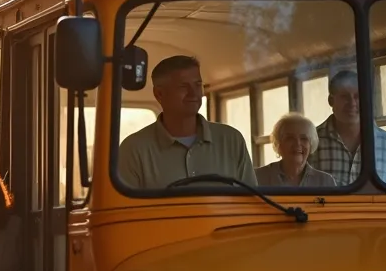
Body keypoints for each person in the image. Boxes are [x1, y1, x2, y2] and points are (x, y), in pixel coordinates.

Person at [118, 55, 256, 189]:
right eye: (183, 86)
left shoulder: (232, 140)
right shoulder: (133, 150)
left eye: (198, 85)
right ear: (159, 94)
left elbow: (252, 202)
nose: (194, 93)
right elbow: (123, 210)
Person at [308, 69, 386, 184]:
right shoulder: (311, 141)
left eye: (357, 96)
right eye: (344, 96)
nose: (352, 103)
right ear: (331, 100)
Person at [254, 113, 337, 187]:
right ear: (278, 143)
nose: (297, 143)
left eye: (304, 138)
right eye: (290, 138)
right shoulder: (257, 177)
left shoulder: (326, 182)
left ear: (311, 145)